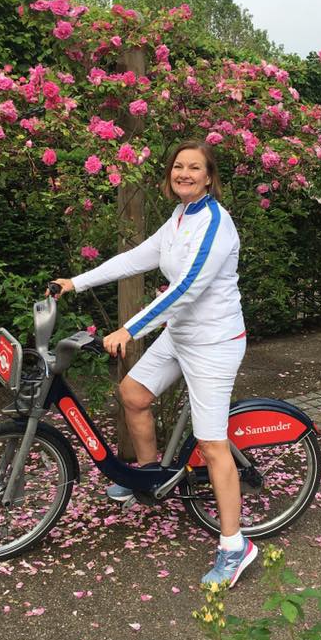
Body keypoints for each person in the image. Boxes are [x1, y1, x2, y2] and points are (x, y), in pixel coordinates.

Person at [51, 140, 257, 588]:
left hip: (214, 343)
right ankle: (150, 477)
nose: (184, 173)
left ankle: (235, 546)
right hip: (180, 335)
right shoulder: (180, 217)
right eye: (178, 166)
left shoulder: (216, 226)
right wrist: (76, 282)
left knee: (213, 444)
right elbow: (137, 257)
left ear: (209, 176)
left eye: (194, 167)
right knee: (133, 393)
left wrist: (129, 330)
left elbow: (185, 289)